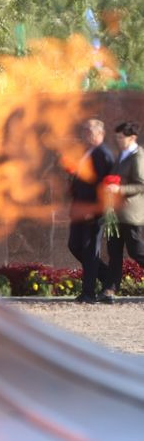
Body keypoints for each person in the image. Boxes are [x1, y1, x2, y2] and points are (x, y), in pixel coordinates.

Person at [67, 119, 114, 303]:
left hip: (92, 210)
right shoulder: (88, 152)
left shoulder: (103, 154)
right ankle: (109, 278)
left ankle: (88, 293)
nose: (85, 135)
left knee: (90, 250)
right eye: (84, 131)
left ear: (100, 134)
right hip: (80, 208)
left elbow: (103, 185)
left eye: (89, 132)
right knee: (75, 245)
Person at [100, 121, 144, 304]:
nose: (117, 140)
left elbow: (141, 184)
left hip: (131, 214)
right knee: (114, 252)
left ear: (132, 137)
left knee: (137, 251)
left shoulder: (138, 156)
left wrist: (119, 189)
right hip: (115, 213)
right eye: (116, 137)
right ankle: (110, 289)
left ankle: (110, 288)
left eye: (121, 137)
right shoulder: (122, 155)